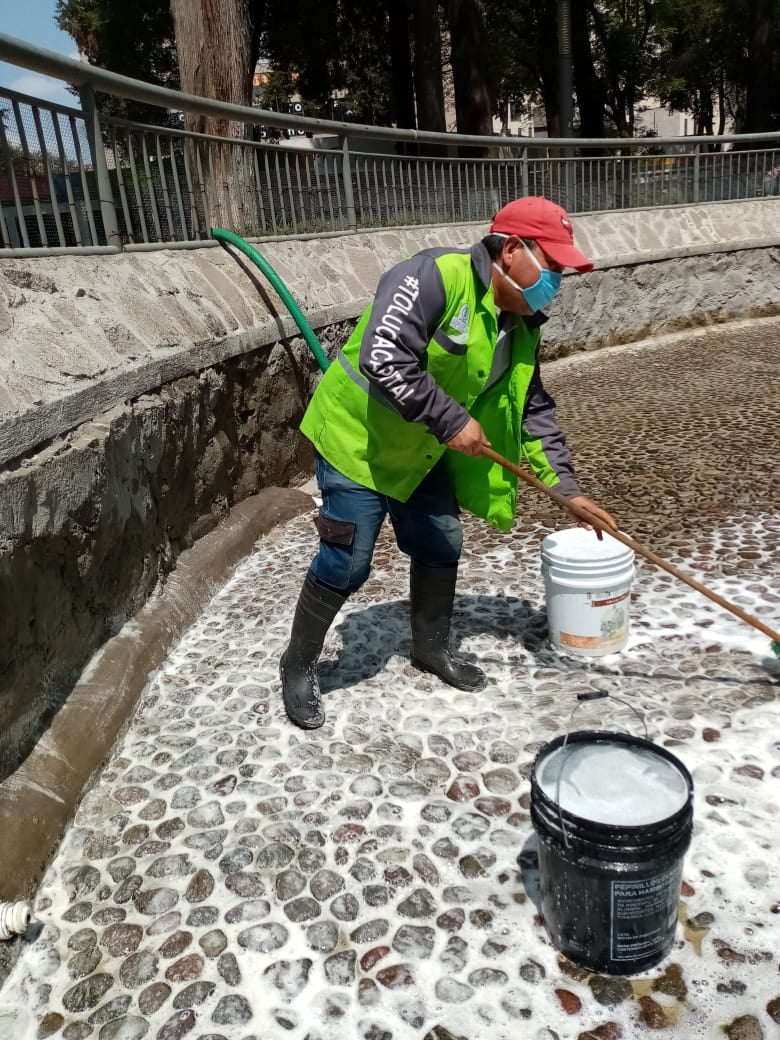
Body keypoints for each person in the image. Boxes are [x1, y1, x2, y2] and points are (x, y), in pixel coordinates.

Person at [280, 195, 618, 729]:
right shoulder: (435, 276)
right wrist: (452, 420)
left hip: (422, 451)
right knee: (348, 562)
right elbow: (384, 354)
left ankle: (431, 649)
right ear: (512, 251)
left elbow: (531, 412)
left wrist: (568, 490)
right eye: (551, 267)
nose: (557, 282)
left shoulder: (521, 327)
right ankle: (297, 666)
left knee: (441, 543)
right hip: (356, 443)